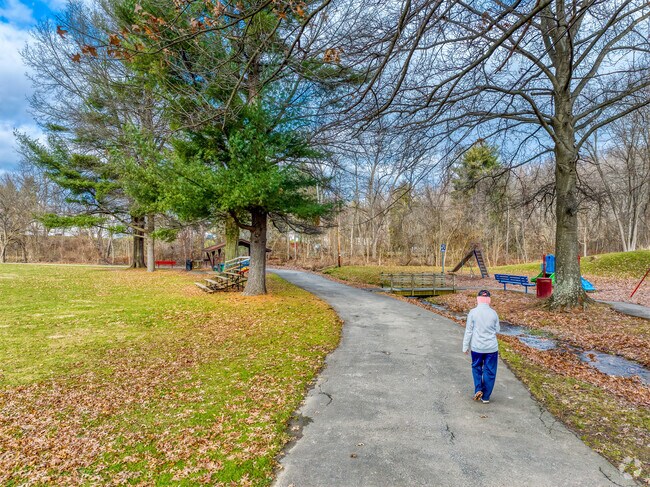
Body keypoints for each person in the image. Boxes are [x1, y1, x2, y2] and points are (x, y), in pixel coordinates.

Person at [462, 289, 500, 404]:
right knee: (490, 371)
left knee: (476, 368)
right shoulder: (494, 313)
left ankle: (478, 389)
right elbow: (497, 330)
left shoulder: (473, 312)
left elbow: (468, 331)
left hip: (477, 347)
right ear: (489, 300)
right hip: (491, 348)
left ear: (478, 299)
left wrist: (465, 346)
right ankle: (486, 397)